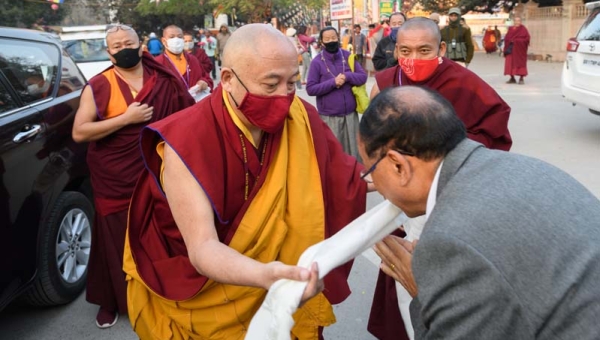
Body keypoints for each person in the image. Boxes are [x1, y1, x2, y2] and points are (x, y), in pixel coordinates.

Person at [123, 23, 368, 339]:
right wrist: (266, 275)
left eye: (292, 83)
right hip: (216, 292)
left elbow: (343, 177)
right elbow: (202, 248)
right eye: (270, 85)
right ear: (227, 79)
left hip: (279, 284)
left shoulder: (299, 116)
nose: (284, 95)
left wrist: (393, 186)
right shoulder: (187, 139)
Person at [361, 85, 600, 340]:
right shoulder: (520, 165)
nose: (374, 183)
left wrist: (422, 291)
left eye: (370, 171)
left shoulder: (448, 241)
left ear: (399, 166)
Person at [368, 18, 511, 340]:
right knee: (401, 268)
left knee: (449, 270)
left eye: (424, 50)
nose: (414, 59)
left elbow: (494, 132)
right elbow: (374, 137)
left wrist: (438, 156)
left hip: (452, 196)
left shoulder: (463, 82)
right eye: (405, 51)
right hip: (404, 196)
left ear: (441, 49)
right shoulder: (386, 81)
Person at [71, 24, 195, 329]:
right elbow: (80, 131)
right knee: (116, 238)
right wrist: (126, 119)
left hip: (160, 169)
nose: (123, 48)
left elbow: (187, 116)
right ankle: (114, 299)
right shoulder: (98, 85)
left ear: (141, 44)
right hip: (116, 175)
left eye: (128, 42)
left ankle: (167, 292)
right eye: (116, 45)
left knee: (164, 231)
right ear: (108, 51)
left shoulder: (162, 78)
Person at [306, 26, 368, 160]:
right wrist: (333, 82)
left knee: (355, 153)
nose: (331, 41)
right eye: (327, 39)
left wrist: (347, 76)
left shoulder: (348, 56)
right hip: (329, 117)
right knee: (335, 155)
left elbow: (362, 77)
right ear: (321, 42)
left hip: (351, 115)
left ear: (338, 38)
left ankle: (356, 178)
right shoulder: (317, 62)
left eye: (333, 38)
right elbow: (311, 89)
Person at [155, 25, 213, 92]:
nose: (176, 40)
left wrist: (204, 82)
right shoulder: (158, 63)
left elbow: (206, 78)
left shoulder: (192, 60)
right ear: (163, 40)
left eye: (179, 37)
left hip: (194, 100)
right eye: (172, 37)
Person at [504, 17, 530, 85]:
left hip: (520, 50)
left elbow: (527, 39)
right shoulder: (511, 29)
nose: (517, 22)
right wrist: (509, 41)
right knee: (510, 63)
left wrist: (516, 41)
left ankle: (521, 78)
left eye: (518, 21)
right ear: (514, 21)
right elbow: (507, 38)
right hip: (511, 49)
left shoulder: (523, 29)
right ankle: (512, 78)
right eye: (515, 21)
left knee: (520, 63)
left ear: (521, 22)